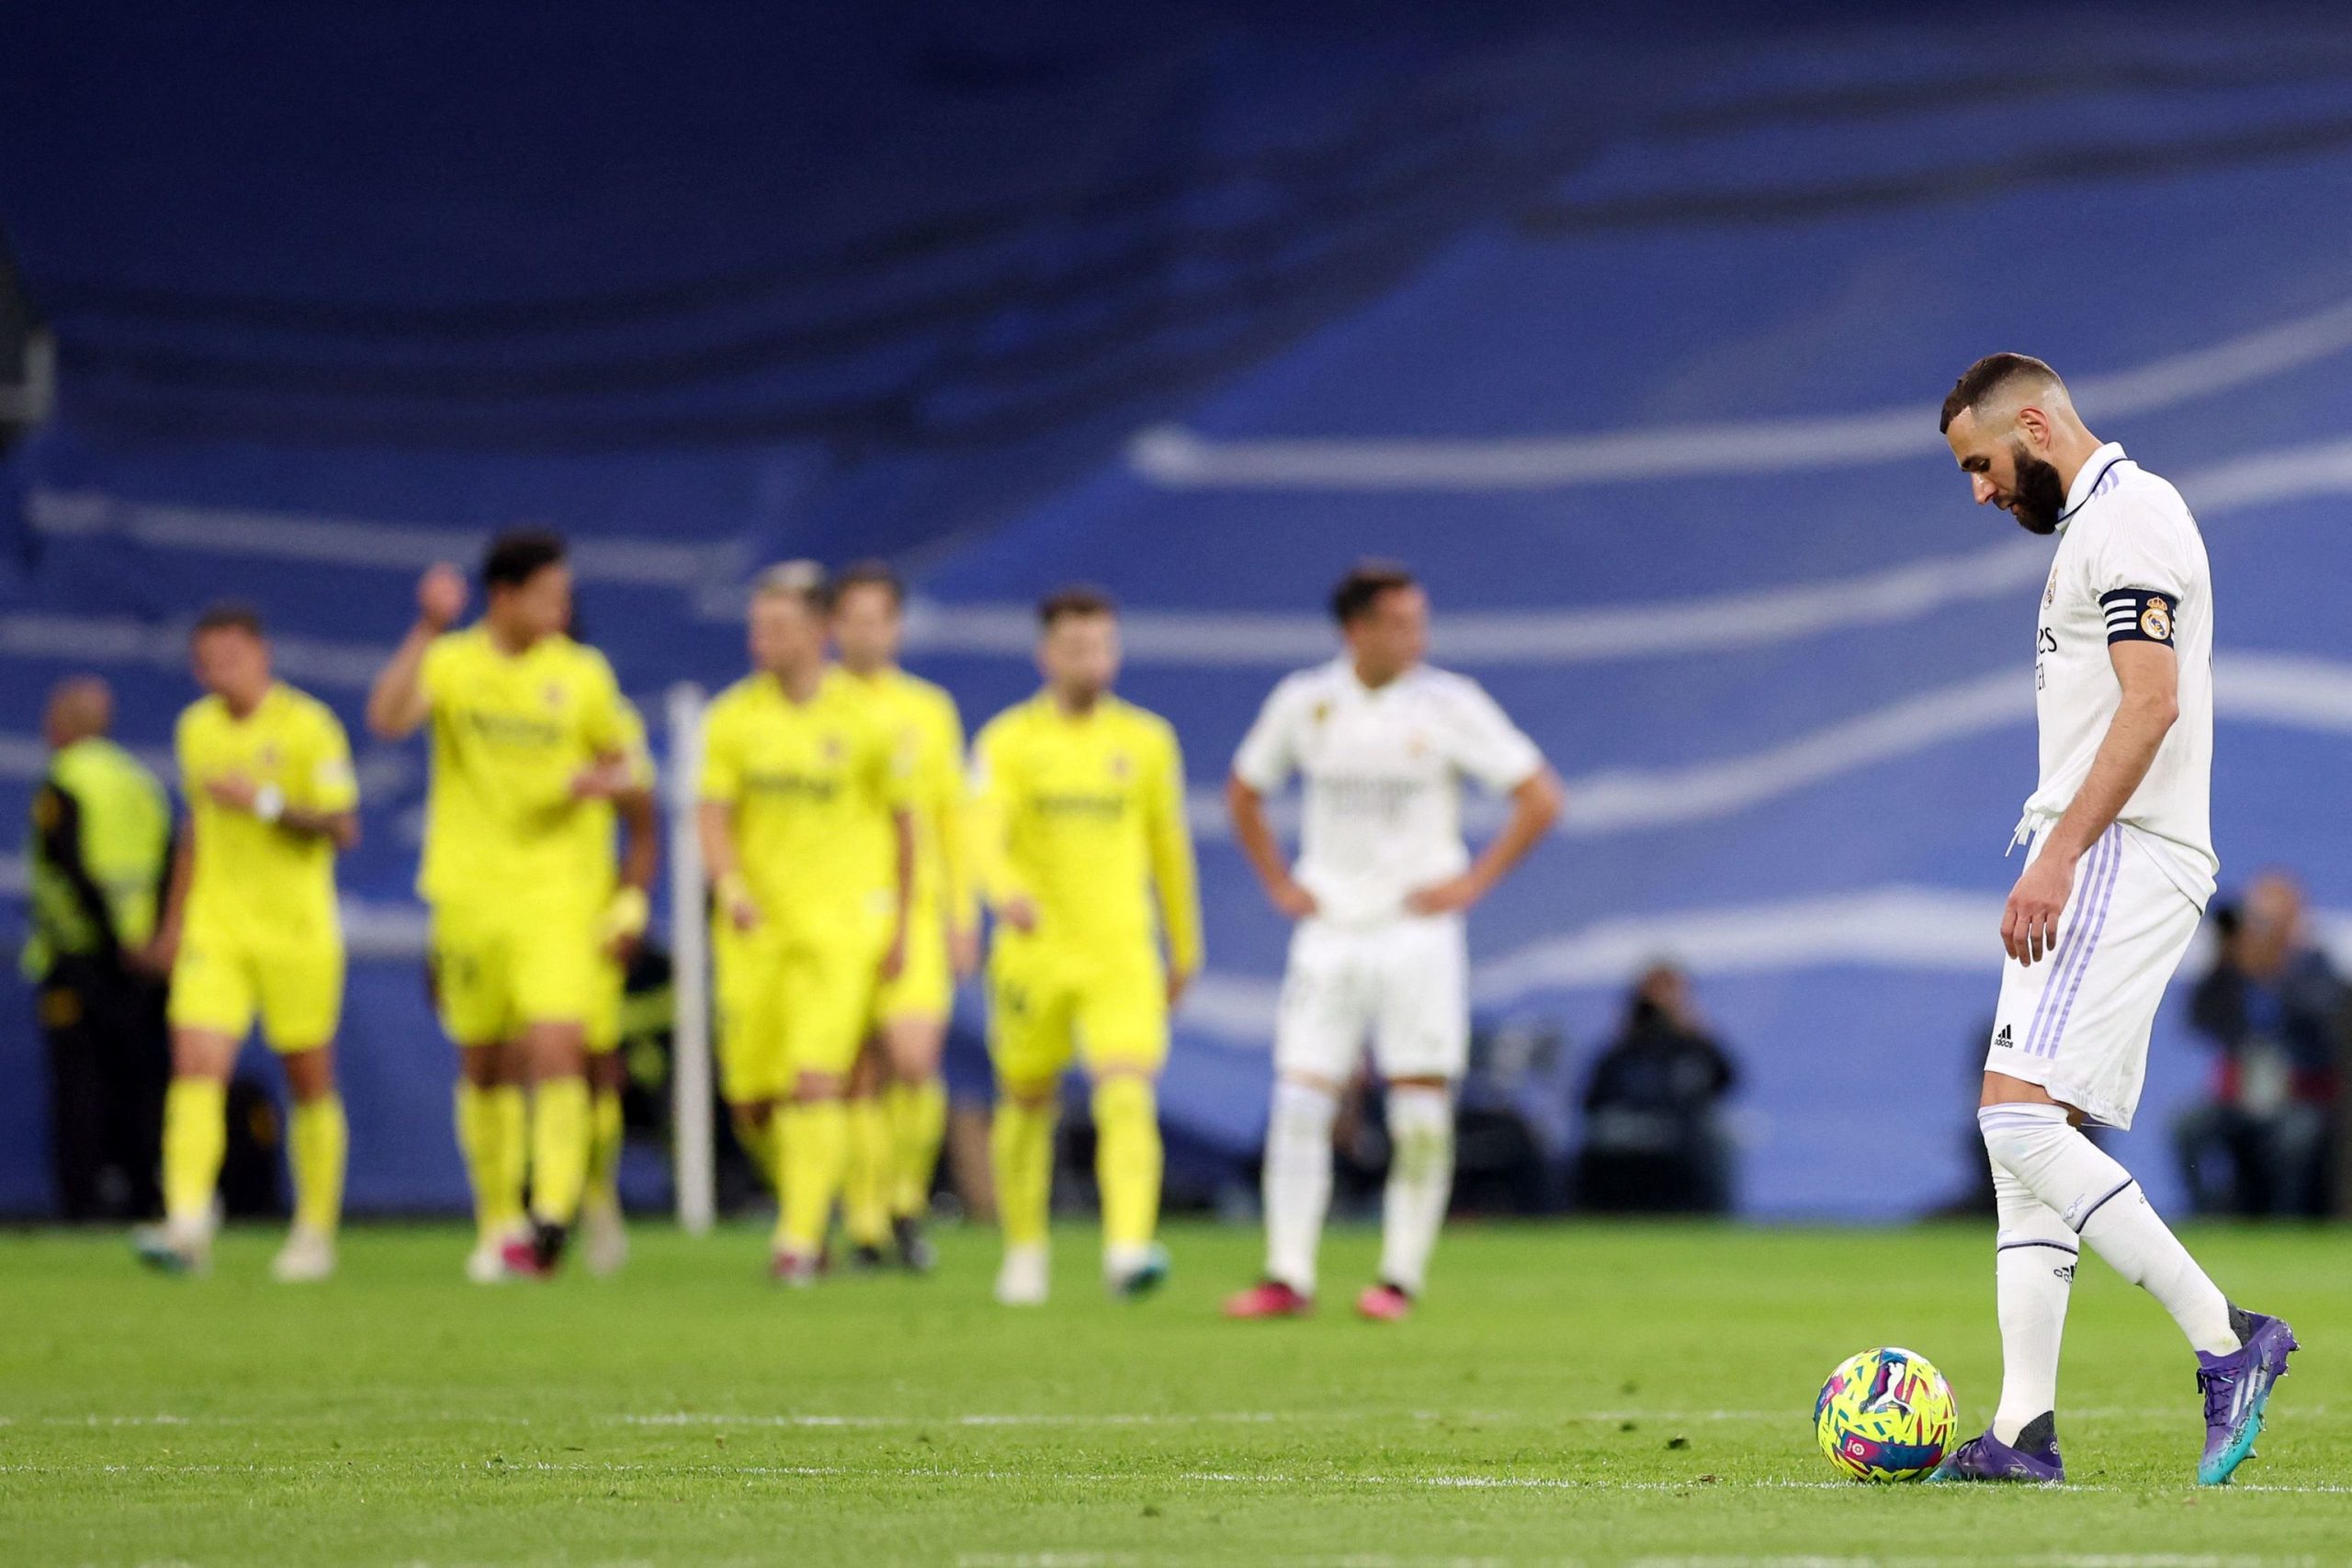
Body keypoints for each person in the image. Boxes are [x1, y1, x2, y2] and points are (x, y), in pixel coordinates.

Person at [1930, 354, 2295, 1487]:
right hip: (2107, 852)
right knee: (2026, 1143)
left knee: (2018, 1126)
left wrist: (2060, 855)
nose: (1980, 492)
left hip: (2118, 854)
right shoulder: (2091, 527)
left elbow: (2150, 703)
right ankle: (2023, 1434)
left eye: (1982, 465)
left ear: (2034, 424)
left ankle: (2226, 1337)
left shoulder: (2131, 516)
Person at [1221, 562, 1562, 1322]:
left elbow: (1540, 795)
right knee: (1299, 1100)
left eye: (1420, 620)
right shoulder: (1305, 702)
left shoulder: (1449, 703)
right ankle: (1287, 1275)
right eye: (1401, 622)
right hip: (1331, 930)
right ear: (1356, 630)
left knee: (1416, 1111)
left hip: (1416, 934)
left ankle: (1398, 1277)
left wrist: (1472, 883)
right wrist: (1281, 883)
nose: (1417, 635)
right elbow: (1244, 790)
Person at [368, 529, 640, 1279]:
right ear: (505, 596)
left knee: (557, 1046)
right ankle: (499, 1220)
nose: (560, 608)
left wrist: (604, 786)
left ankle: (553, 1215)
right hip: (468, 892)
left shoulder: (582, 674)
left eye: (564, 595)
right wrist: (426, 625)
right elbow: (388, 717)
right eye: (547, 595)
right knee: (483, 1062)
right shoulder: (453, 663)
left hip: (557, 893)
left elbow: (628, 768)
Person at [969, 586, 1201, 1305]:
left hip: (1121, 951)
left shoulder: (1148, 741)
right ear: (1046, 654)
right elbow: (979, 833)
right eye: (1075, 646)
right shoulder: (1007, 741)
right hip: (1034, 952)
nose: (1090, 659)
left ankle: (1127, 1246)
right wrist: (1004, 890)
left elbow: (1169, 849)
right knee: (1026, 1101)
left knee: (1127, 1091)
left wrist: (1185, 946)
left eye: (1102, 644)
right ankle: (1025, 1249)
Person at [696, 562, 914, 1286]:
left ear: (819, 631)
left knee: (817, 1082)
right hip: (755, 933)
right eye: (758, 625)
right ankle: (808, 1206)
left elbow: (905, 828)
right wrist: (728, 884)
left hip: (841, 929)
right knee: (754, 1102)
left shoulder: (868, 719)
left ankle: (797, 1240)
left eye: (780, 626)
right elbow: (713, 816)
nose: (764, 638)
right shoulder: (731, 718)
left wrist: (904, 925)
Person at [132, 606, 359, 1278]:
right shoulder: (195, 728)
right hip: (217, 926)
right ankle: (188, 1221)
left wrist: (262, 801)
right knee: (197, 1063)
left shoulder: (307, 725)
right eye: (206, 660)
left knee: (309, 1077)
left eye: (230, 655)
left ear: (262, 653)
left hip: (296, 930)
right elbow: (195, 830)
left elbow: (343, 827)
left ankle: (315, 1230)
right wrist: (174, 922)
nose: (217, 671)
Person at [831, 560, 978, 1271]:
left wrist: (962, 913)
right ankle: (864, 1222)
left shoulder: (929, 709)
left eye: (879, 618)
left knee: (915, 1060)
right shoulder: (815, 705)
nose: (867, 632)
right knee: (856, 1069)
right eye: (853, 618)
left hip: (915, 910)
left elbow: (952, 816)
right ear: (834, 626)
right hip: (835, 912)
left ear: (896, 625)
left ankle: (905, 1200)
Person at [21, 676, 172, 1221]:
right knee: (139, 1083)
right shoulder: (139, 781)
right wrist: (153, 941)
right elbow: (170, 863)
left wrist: (115, 943)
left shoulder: (66, 781)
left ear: (63, 724)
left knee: (79, 1088)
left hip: (84, 958)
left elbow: (71, 867)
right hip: (145, 964)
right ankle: (145, 1197)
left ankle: (83, 1204)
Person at [2174, 874, 2344, 1217]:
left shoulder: (2316, 966)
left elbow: (2323, 1019)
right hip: (2237, 1097)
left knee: (2296, 1136)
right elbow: (2199, 1018)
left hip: (2299, 1097)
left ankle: (2287, 1224)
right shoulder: (2232, 970)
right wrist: (2227, 959)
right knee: (2187, 1127)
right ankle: (2207, 1219)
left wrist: (2276, 970)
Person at [575, 689, 659, 1275]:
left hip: (580, 918)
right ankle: (501, 1218)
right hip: (483, 910)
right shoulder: (460, 675)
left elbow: (642, 819)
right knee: (494, 1064)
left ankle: (588, 1200)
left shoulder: (592, 702)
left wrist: (629, 903)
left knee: (584, 1065)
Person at [1574, 964, 1738, 1214]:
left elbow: (1727, 1080)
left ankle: (1709, 1216)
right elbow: (1593, 1100)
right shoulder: (1622, 1050)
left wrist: (1695, 1028)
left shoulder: (1693, 1045)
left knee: (1720, 1138)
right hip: (1628, 1135)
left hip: (1685, 1134)